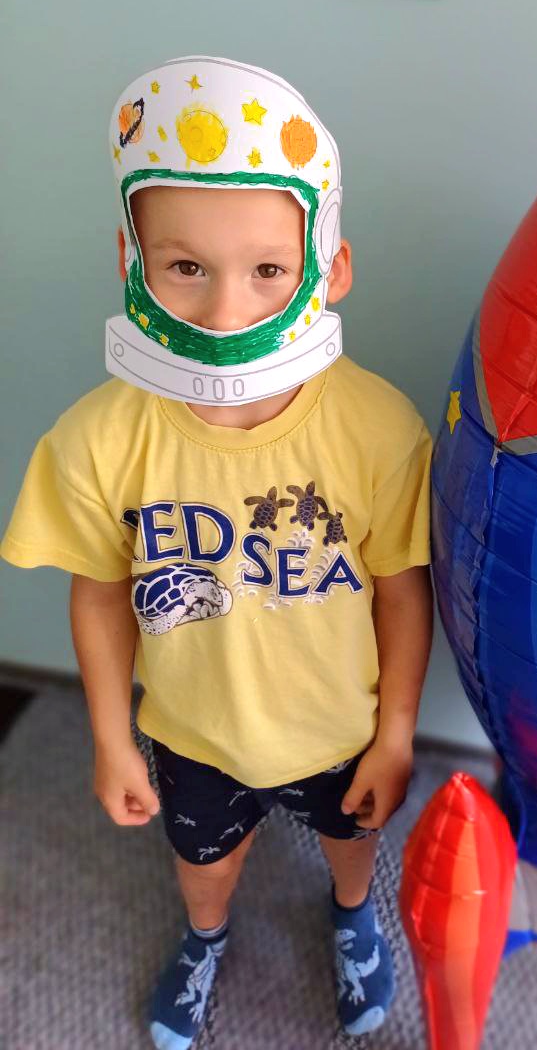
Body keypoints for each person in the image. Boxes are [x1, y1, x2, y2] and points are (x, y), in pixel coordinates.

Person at [0, 56, 434, 1047]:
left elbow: (402, 591)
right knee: (204, 863)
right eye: (187, 266)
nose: (227, 311)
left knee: (352, 843)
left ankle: (352, 915)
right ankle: (205, 937)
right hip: (193, 731)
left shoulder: (377, 428)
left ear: (330, 269)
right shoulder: (99, 439)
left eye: (268, 270)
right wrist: (111, 734)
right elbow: (99, 593)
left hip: (340, 723)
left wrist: (398, 731)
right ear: (132, 258)